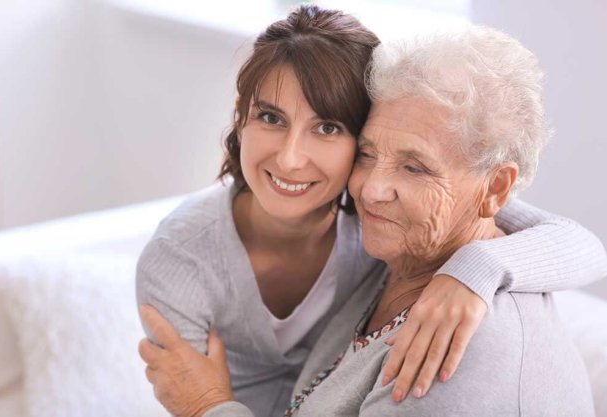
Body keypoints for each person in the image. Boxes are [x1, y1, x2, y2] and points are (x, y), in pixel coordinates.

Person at [136, 7, 607, 417]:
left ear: (495, 187)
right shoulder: (395, 243)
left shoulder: (454, 349)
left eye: (414, 167)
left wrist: (206, 406)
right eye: (368, 153)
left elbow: (581, 243)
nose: (373, 188)